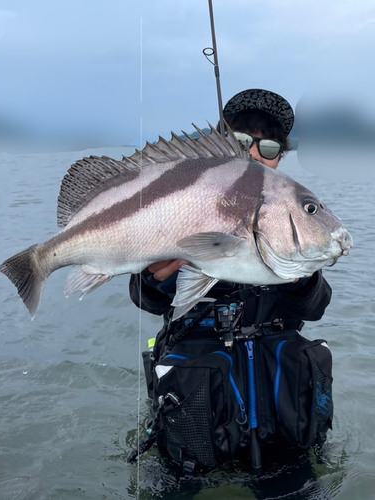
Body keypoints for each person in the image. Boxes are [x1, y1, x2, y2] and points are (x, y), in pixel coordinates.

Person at [128, 89, 333, 473]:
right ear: (221, 144)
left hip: (280, 413)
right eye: (241, 141)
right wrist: (156, 279)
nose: (254, 153)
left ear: (279, 159)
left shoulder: (289, 228)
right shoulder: (184, 208)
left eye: (268, 147)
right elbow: (148, 300)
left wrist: (296, 275)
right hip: (197, 408)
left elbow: (315, 307)